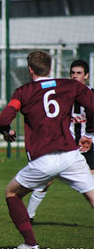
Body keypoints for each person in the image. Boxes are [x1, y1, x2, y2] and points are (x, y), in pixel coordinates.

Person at [0, 51, 94, 249]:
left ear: (30, 70)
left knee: (12, 193)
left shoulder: (23, 91)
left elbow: (4, 118)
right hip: (70, 155)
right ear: (50, 68)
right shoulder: (71, 85)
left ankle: (30, 245)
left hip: (43, 158)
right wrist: (90, 134)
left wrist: (7, 131)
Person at [27, 59, 94, 224]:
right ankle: (29, 216)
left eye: (79, 73)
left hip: (90, 144)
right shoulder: (63, 94)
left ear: (86, 75)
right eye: (72, 73)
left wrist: (90, 137)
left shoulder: (92, 94)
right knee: (46, 179)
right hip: (67, 145)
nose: (75, 76)